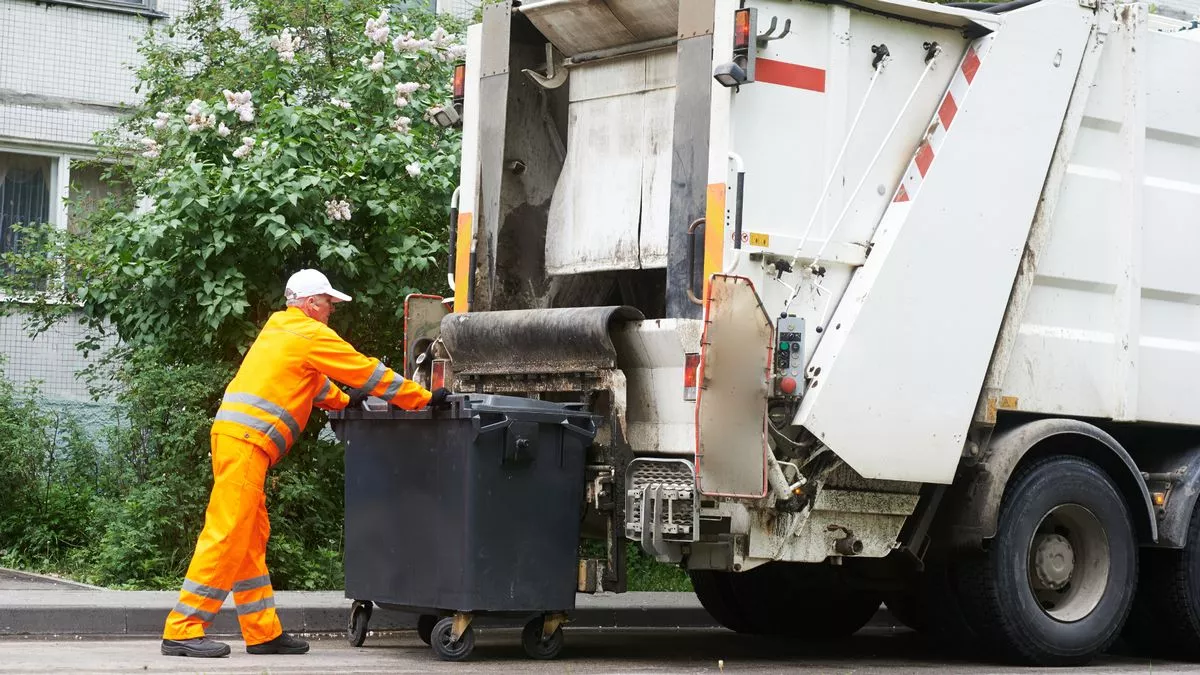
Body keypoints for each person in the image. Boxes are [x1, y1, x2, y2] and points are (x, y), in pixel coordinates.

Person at [161, 269, 449, 658]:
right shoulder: (308, 333)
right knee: (228, 532)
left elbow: (311, 382)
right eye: (328, 302)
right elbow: (364, 370)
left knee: (249, 538)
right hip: (246, 442)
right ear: (311, 303)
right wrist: (422, 398)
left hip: (238, 440)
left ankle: (262, 633)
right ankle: (183, 629)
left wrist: (347, 402)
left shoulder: (282, 329)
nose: (331, 309)